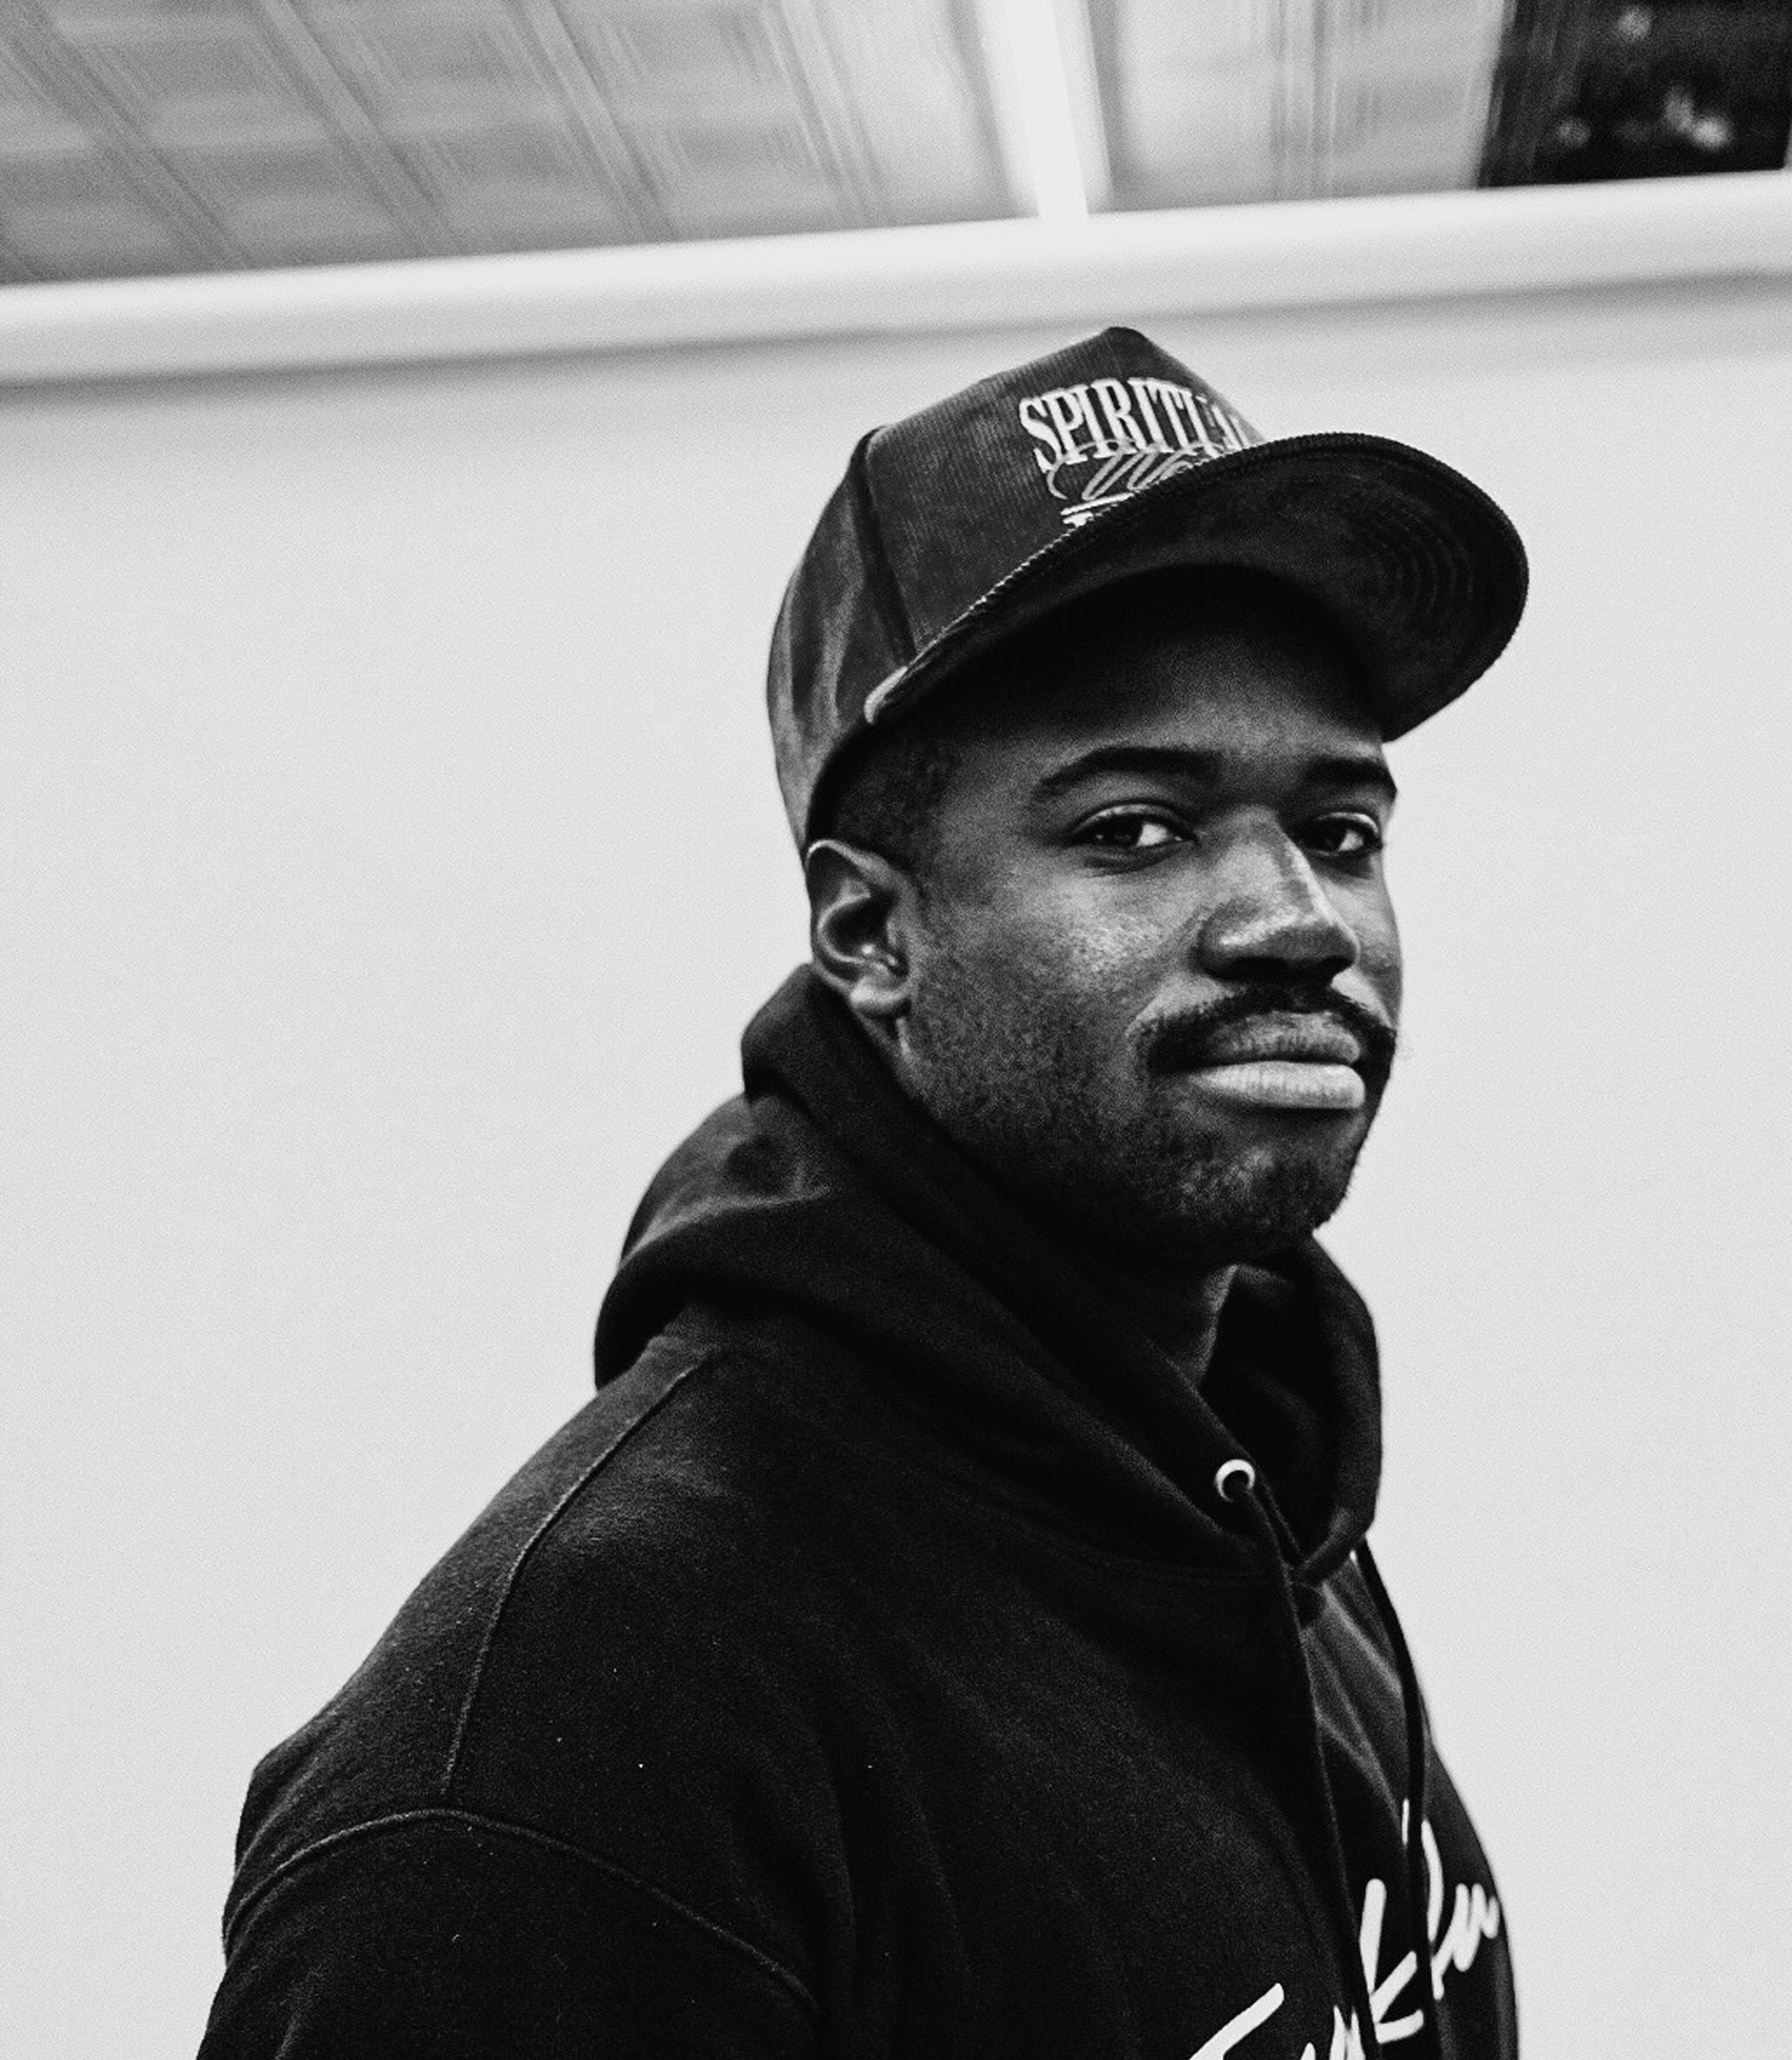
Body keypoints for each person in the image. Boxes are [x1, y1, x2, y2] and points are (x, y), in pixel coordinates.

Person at [199, 326, 1528, 2060]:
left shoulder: (1246, 1470)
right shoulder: (567, 1746)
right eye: (1133, 825)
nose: (1295, 915)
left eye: (1340, 827)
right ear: (869, 934)